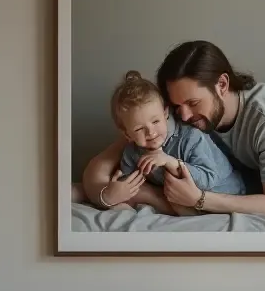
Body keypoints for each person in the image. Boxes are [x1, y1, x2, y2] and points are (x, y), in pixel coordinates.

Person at [82, 40, 265, 217]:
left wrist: (200, 199)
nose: (183, 115)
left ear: (222, 85)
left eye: (192, 103)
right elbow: (100, 168)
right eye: (176, 106)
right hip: (253, 174)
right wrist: (104, 193)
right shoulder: (175, 114)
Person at [97, 71, 245, 211]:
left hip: (224, 193)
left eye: (155, 121)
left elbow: (208, 179)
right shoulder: (132, 152)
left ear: (165, 113)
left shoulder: (191, 137)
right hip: (182, 199)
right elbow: (130, 182)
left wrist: (170, 162)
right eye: (138, 129)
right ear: (127, 134)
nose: (151, 132)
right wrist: (118, 189)